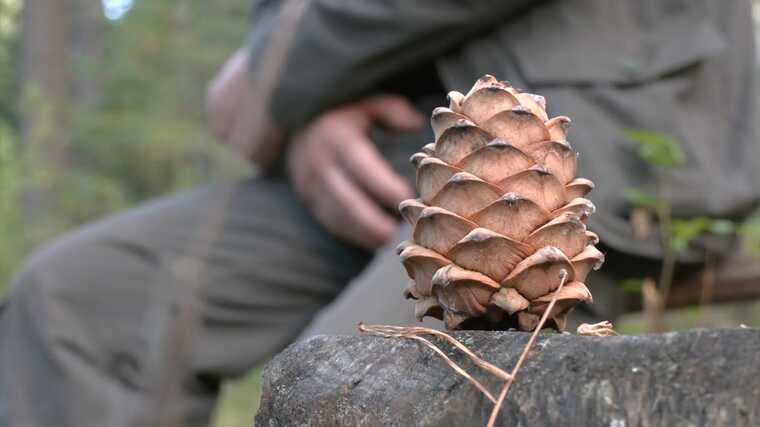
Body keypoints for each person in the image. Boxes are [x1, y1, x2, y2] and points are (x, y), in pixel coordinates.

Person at [1, 0, 758, 425]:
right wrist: (311, 121)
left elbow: (263, 79)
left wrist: (279, 73)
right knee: (74, 302)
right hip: (392, 150)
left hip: (591, 147)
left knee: (344, 392)